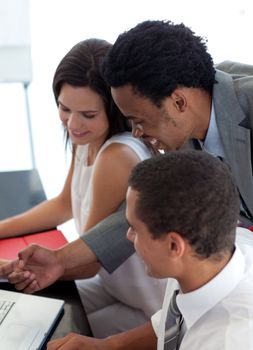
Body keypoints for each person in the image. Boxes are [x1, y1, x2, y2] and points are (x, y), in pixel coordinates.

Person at [0, 38, 167, 337]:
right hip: (110, 286)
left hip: (144, 307)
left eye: (88, 115)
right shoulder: (87, 138)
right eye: (64, 109)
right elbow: (64, 203)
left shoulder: (116, 156)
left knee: (30, 327)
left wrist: (7, 266)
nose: (72, 124)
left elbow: (89, 260)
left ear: (113, 108)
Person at [4, 150, 253, 350]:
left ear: (173, 245)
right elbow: (171, 319)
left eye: (134, 228)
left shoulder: (228, 340)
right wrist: (106, 346)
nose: (127, 235)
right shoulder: (210, 257)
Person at [102, 19, 253, 228]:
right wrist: (61, 259)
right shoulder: (185, 128)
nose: (136, 133)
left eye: (139, 121)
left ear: (178, 102)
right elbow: (155, 204)